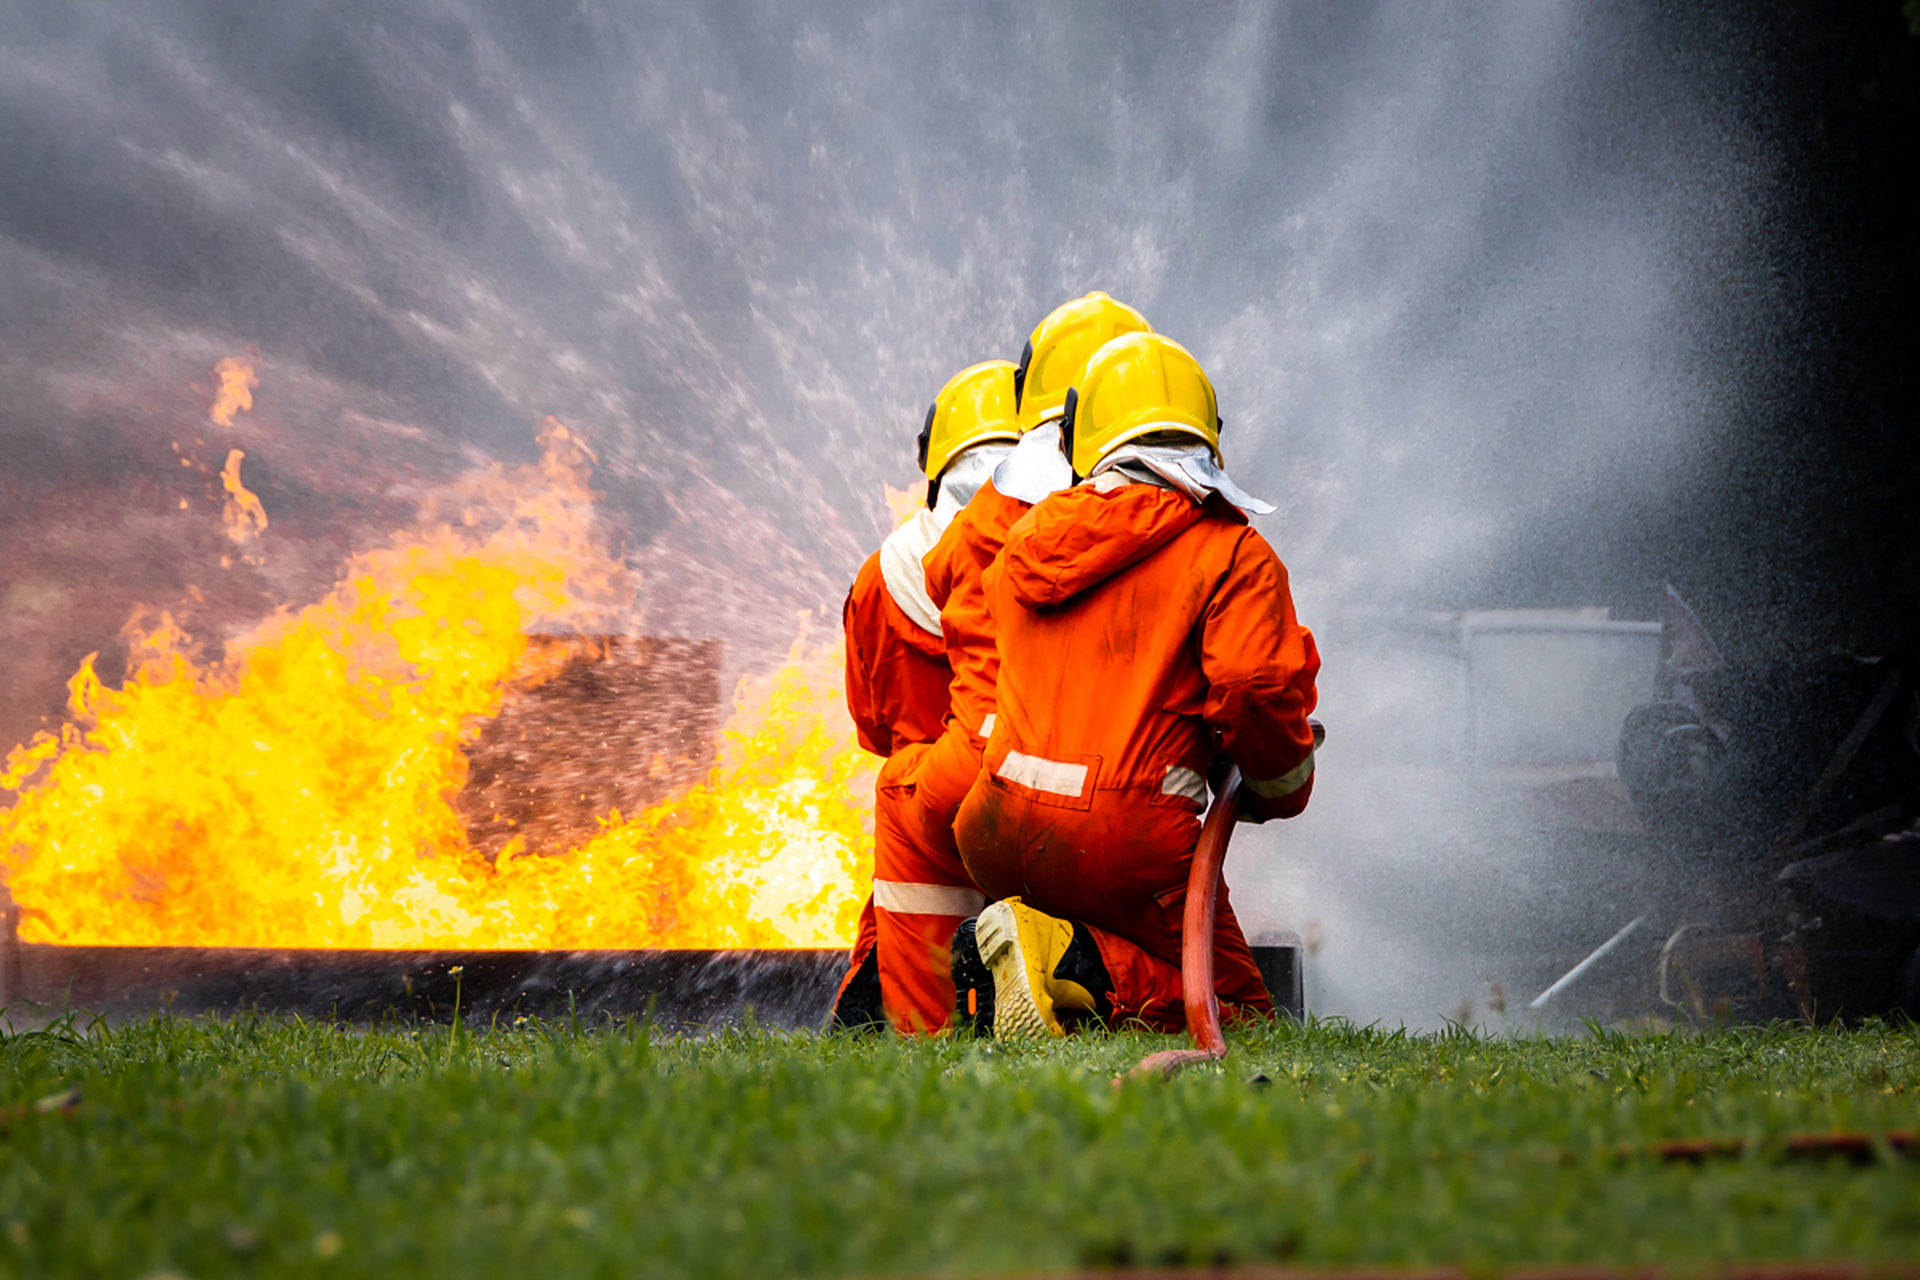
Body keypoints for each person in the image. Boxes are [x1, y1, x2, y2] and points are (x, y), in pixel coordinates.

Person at [951, 332, 1321, 1037]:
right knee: (1236, 1010)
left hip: (993, 827)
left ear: (1083, 437)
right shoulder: (1232, 552)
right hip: (1122, 842)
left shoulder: (1029, 540)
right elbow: (1254, 682)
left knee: (1093, 939)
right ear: (1208, 436)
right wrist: (1279, 789)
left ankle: (1033, 966)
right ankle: (1066, 957)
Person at [921, 291, 1153, 1033]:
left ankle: (926, 1013)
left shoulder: (986, 511)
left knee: (904, 810)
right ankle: (1065, 958)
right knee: (1229, 992)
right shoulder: (1142, 512)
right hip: (1099, 782)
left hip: (986, 787)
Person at [829, 360, 1020, 1031]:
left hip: (925, 834)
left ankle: (894, 1001)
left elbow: (876, 727)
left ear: (934, 458)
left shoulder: (878, 579)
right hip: (1042, 813)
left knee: (902, 805)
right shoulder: (1053, 550)